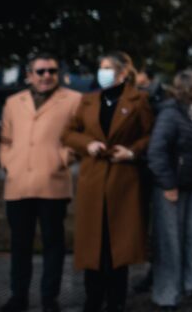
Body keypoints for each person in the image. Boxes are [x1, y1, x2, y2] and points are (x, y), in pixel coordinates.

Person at [61, 52, 154, 312]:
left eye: (107, 68)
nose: (102, 73)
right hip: (93, 179)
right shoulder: (88, 101)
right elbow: (68, 133)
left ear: (122, 73)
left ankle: (116, 300)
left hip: (123, 181)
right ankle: (92, 298)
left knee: (118, 245)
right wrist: (87, 144)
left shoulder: (139, 100)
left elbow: (150, 135)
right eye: (100, 68)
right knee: (93, 244)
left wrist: (132, 152)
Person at [0, 53, 82, 312]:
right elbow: (6, 140)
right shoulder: (14, 102)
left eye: (52, 71)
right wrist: (8, 162)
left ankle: (49, 297)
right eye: (41, 71)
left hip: (53, 183)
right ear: (29, 75)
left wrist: (62, 158)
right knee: (20, 244)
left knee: (53, 244)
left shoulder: (74, 100)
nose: (47, 76)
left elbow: (80, 137)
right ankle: (18, 296)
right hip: (18, 183)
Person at [146, 70, 192, 310]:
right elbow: (156, 152)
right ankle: (167, 294)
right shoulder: (170, 114)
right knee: (170, 243)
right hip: (172, 190)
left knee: (190, 240)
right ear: (190, 88)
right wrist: (168, 183)